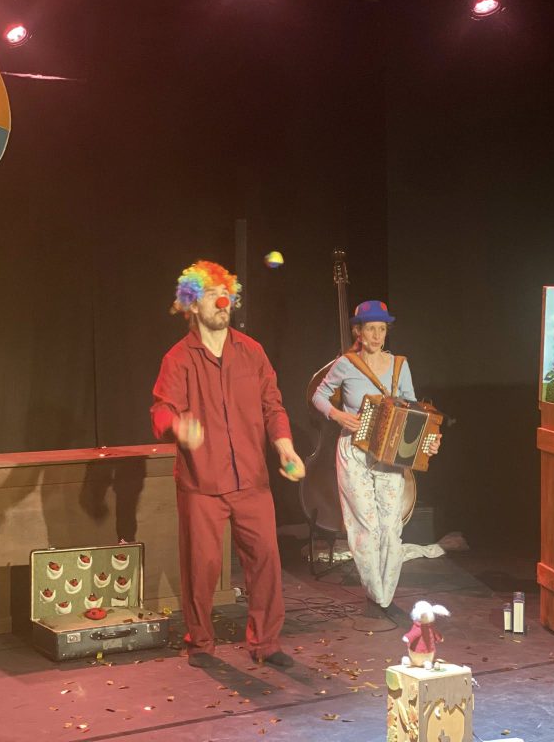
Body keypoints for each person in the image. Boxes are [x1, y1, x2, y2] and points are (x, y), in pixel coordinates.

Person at [151, 260, 305, 668]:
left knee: (266, 561)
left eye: (226, 295)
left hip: (252, 479)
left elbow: (273, 405)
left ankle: (266, 643)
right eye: (211, 295)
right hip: (202, 482)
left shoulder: (252, 351)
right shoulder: (178, 358)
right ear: (191, 304)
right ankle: (200, 642)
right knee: (201, 568)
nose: (222, 303)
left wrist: (284, 446)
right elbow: (161, 410)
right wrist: (178, 427)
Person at [311, 300, 441, 618]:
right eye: (371, 328)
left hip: (389, 456)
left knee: (391, 527)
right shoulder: (346, 363)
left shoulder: (399, 365)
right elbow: (318, 395)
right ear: (358, 331)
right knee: (365, 526)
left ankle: (386, 594)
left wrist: (428, 440)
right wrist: (338, 415)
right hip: (354, 451)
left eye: (382, 329)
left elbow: (414, 410)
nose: (377, 335)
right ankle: (377, 593)